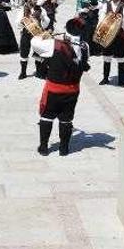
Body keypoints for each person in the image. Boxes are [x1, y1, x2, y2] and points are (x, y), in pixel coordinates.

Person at [33, 18, 89, 156]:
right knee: (66, 119)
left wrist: (44, 36)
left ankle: (44, 147)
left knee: (46, 117)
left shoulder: (54, 45)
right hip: (73, 90)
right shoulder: (85, 46)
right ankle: (64, 149)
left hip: (54, 89)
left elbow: (34, 43)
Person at [98, 0, 124, 86]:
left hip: (119, 36)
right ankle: (105, 78)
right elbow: (101, 19)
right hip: (107, 36)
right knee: (106, 57)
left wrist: (120, 24)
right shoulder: (106, 5)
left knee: (120, 58)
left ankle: (121, 81)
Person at [18, 1, 50, 79]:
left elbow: (46, 23)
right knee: (24, 51)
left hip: (37, 33)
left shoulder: (41, 10)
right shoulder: (24, 9)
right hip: (26, 33)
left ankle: (39, 71)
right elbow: (18, 22)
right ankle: (23, 72)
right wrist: (22, 22)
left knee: (38, 52)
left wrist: (41, 17)